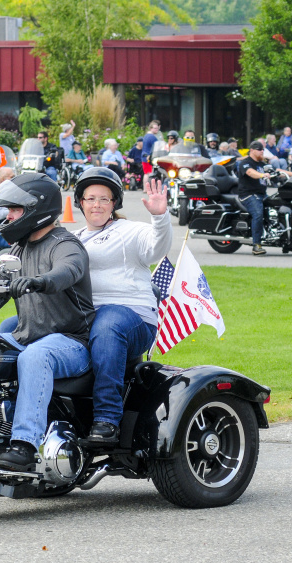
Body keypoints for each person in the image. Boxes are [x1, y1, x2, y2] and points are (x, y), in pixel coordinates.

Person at [0, 173, 93, 471]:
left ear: (37, 209)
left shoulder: (64, 244)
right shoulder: (17, 250)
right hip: (28, 336)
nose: (8, 216)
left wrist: (39, 281)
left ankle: (24, 445)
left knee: (36, 357)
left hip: (72, 343)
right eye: (8, 209)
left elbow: (68, 271)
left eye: (15, 210)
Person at [72, 168, 172, 444]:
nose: (97, 205)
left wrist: (160, 217)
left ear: (114, 203)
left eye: (104, 199)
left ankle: (107, 420)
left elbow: (156, 248)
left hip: (133, 319)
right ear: (80, 202)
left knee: (109, 321)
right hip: (85, 320)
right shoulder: (72, 238)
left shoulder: (130, 231)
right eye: (91, 198)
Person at [237, 140, 292, 255]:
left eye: (263, 149)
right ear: (252, 150)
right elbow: (250, 173)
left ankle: (287, 242)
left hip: (262, 195)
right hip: (248, 195)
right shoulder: (245, 163)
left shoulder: (262, 164)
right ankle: (256, 245)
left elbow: (276, 171)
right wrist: (262, 175)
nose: (262, 151)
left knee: (283, 206)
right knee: (258, 214)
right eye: (259, 149)